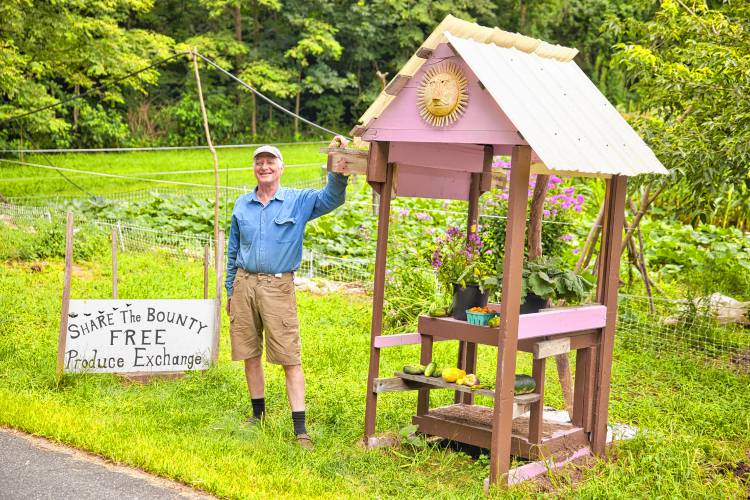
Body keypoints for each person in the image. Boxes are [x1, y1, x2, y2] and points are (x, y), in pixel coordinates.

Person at [225, 136, 350, 450]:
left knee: (289, 358)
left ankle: (300, 429)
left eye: (270, 161)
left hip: (278, 288)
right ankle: (258, 415)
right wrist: (230, 290)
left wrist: (337, 163)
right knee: (249, 353)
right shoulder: (242, 204)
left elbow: (333, 197)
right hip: (244, 284)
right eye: (259, 161)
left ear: (281, 167)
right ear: (254, 168)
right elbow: (232, 251)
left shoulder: (299, 200)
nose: (264, 166)